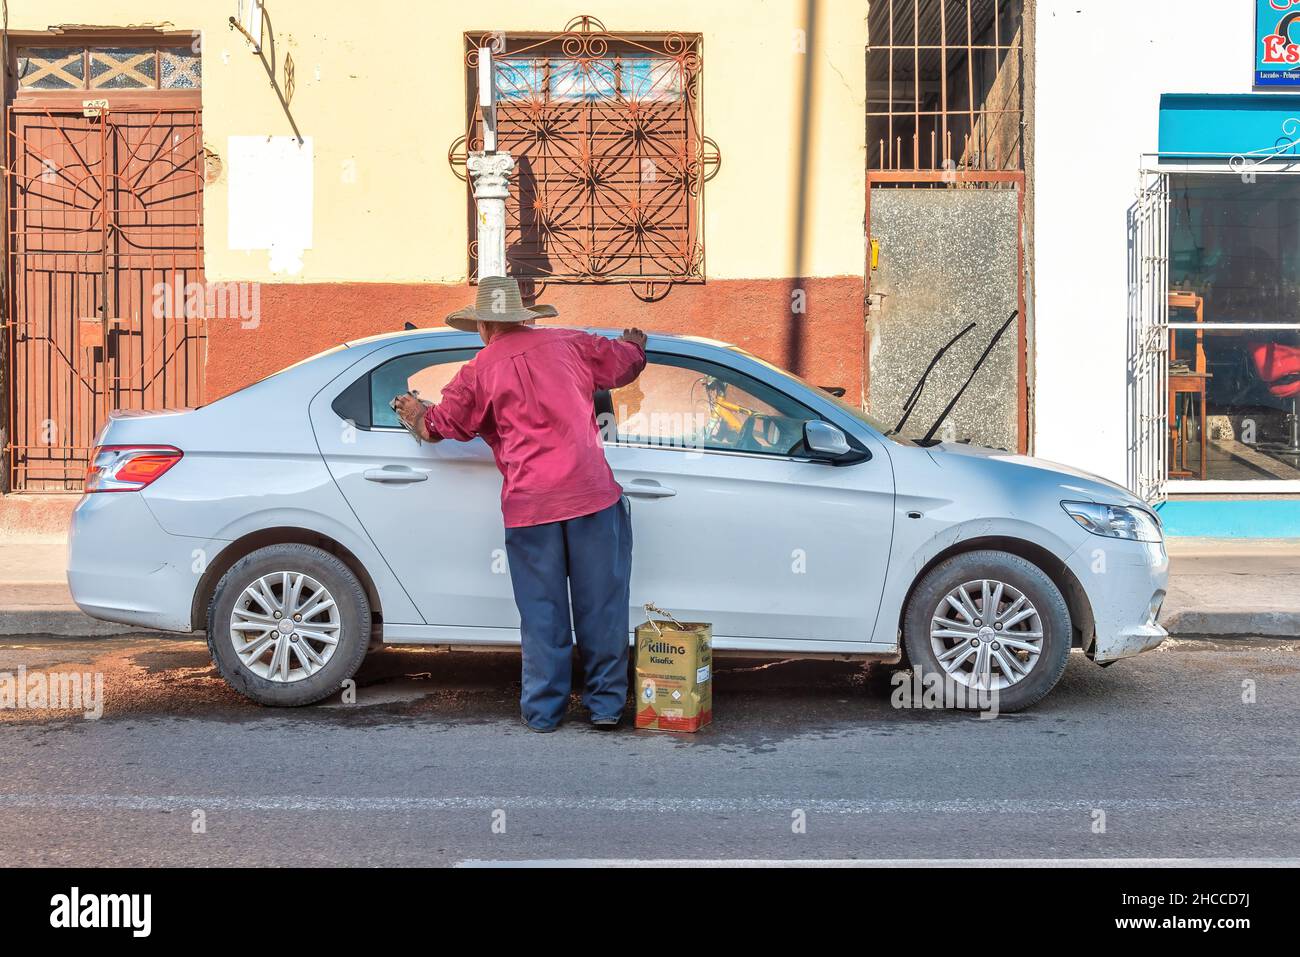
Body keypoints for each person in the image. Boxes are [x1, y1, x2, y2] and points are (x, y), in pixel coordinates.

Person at [394, 276, 647, 733]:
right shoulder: (570, 344)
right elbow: (623, 366)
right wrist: (634, 345)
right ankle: (606, 707)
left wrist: (415, 413)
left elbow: (441, 425)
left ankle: (544, 712)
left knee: (542, 612)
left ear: (483, 327)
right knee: (602, 607)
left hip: (531, 509)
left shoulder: (476, 372)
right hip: (591, 498)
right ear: (523, 317)